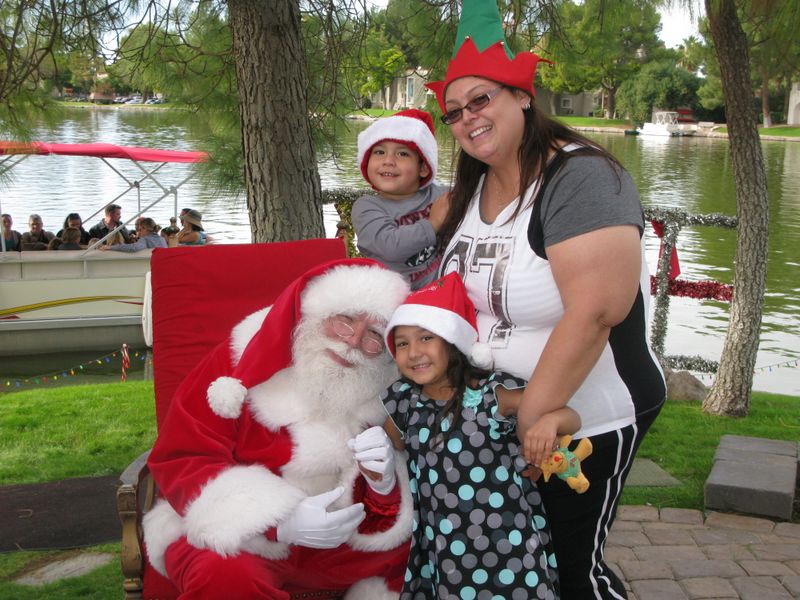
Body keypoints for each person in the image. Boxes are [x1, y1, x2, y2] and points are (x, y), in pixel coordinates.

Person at [427, 2, 666, 598]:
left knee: (567, 575)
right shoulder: (474, 186)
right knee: (515, 566)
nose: (467, 119)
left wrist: (533, 416)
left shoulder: (579, 178)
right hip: (501, 412)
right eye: (454, 112)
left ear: (523, 95)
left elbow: (596, 312)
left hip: (581, 416)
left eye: (481, 100)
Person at [143, 258, 414, 599]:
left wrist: (382, 484)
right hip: (242, 532)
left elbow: (377, 508)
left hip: (333, 538)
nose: (353, 341)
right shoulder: (234, 366)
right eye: (345, 320)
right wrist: (278, 522)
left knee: (419, 560)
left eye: (374, 335)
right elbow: (185, 454)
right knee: (224, 575)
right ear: (316, 314)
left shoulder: (383, 389)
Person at [363, 271, 579, 598]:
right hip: (445, 546)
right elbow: (388, 447)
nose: (413, 352)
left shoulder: (493, 394)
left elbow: (570, 417)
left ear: (453, 343)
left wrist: (548, 425)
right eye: (402, 343)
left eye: (425, 338)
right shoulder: (404, 402)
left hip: (509, 542)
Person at [352, 109, 449, 290]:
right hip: (388, 301)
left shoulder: (440, 196)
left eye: (403, 154)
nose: (388, 161)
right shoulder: (367, 207)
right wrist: (433, 223)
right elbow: (390, 246)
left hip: (440, 293)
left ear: (424, 168)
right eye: (379, 152)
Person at [102, 217, 167, 252]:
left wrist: (110, 247)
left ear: (145, 229)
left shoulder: (145, 239)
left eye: (140, 229)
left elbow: (134, 248)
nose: (138, 231)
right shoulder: (162, 239)